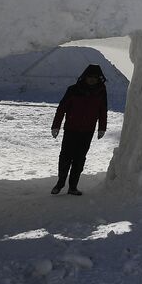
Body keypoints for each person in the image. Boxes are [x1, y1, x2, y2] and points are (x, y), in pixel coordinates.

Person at [51, 64, 109, 196]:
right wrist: (56, 125)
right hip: (71, 129)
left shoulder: (101, 91)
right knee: (65, 157)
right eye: (90, 77)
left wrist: (102, 128)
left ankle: (73, 187)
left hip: (87, 131)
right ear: (84, 77)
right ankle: (60, 183)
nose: (92, 80)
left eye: (95, 77)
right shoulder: (73, 90)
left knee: (79, 159)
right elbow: (62, 109)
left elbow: (102, 111)